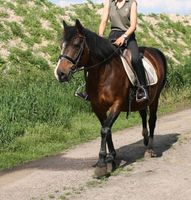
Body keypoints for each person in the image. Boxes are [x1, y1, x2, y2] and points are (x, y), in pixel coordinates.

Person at [76, 0, 149, 102]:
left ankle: (143, 88)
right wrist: (100, 37)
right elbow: (104, 21)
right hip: (113, 35)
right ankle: (89, 89)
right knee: (95, 56)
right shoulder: (109, 2)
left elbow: (133, 26)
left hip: (128, 36)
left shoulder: (132, 3)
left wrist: (124, 37)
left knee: (136, 59)